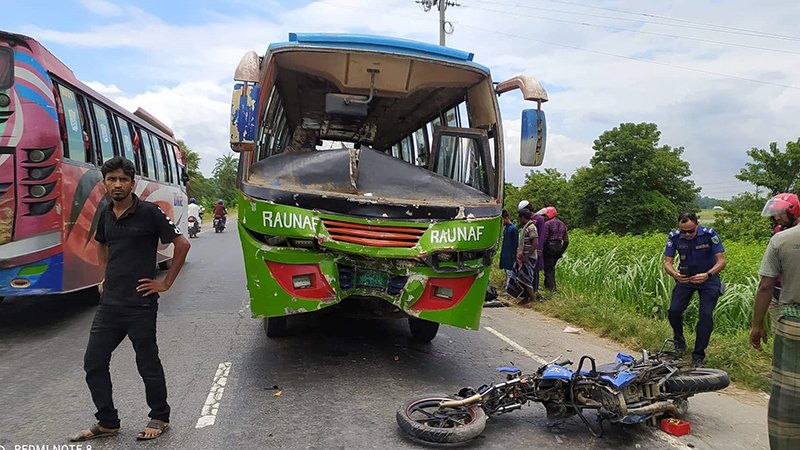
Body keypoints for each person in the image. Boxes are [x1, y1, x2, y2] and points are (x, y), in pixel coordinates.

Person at [71, 157, 191, 442]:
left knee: (147, 362)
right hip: (110, 305)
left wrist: (166, 283)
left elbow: (182, 244)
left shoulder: (149, 212)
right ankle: (107, 422)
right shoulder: (106, 213)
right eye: (111, 179)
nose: (117, 184)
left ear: (132, 183)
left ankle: (159, 416)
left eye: (122, 179)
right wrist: (104, 276)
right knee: (94, 362)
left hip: (140, 304)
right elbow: (101, 243)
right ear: (104, 183)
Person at [750, 193, 800, 450]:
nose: (777, 218)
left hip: (790, 314)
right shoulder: (780, 233)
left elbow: (765, 285)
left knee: (788, 385)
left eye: (780, 213)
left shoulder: (781, 240)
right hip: (782, 302)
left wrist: (756, 326)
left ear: (794, 211)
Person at [663, 211, 726, 367]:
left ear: (697, 224)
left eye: (691, 231)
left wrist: (708, 274)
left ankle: (698, 355)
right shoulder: (674, 236)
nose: (687, 234)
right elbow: (667, 262)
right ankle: (679, 341)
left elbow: (721, 261)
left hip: (708, 279)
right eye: (684, 231)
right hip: (686, 278)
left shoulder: (709, 234)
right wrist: (675, 274)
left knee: (705, 316)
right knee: (674, 311)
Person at [513, 208, 539, 303]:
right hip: (526, 256)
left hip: (529, 257)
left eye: (520, 218)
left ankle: (533, 299)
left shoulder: (531, 227)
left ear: (523, 217)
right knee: (523, 278)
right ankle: (526, 298)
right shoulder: (527, 227)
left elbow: (535, 242)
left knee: (526, 279)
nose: (519, 220)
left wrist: (527, 255)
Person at [541, 207, 568, 291]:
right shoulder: (562, 224)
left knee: (548, 269)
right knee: (552, 267)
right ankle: (550, 286)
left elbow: (544, 239)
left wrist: (542, 249)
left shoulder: (547, 224)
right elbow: (566, 241)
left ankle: (551, 288)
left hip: (549, 247)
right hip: (559, 246)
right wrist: (561, 251)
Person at [499, 209, 518, 291]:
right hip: (505, 251)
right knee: (506, 269)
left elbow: (516, 242)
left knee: (510, 270)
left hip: (510, 251)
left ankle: (509, 287)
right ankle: (507, 285)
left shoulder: (513, 229)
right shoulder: (506, 228)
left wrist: (514, 253)